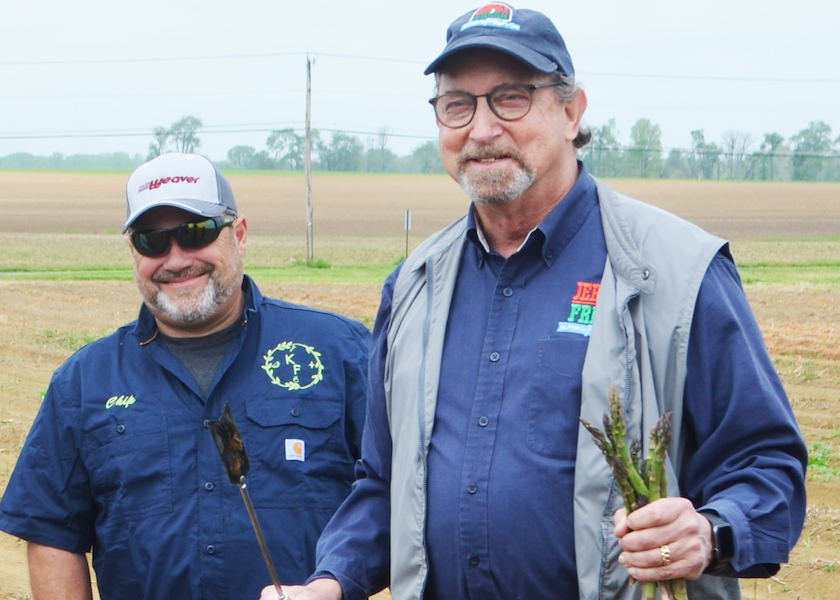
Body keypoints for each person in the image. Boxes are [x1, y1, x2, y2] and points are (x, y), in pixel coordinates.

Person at [264, 5, 808, 600]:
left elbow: (767, 463)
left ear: (572, 111)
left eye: (511, 98)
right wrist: (333, 581)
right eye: (457, 105)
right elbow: (384, 484)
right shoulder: (414, 285)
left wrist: (710, 529)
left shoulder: (676, 270)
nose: (481, 128)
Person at [0, 153, 370, 600]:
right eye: (153, 240)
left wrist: (335, 585)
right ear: (133, 251)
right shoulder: (83, 383)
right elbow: (52, 531)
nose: (176, 259)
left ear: (241, 235)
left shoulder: (341, 352)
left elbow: (393, 496)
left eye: (197, 232)